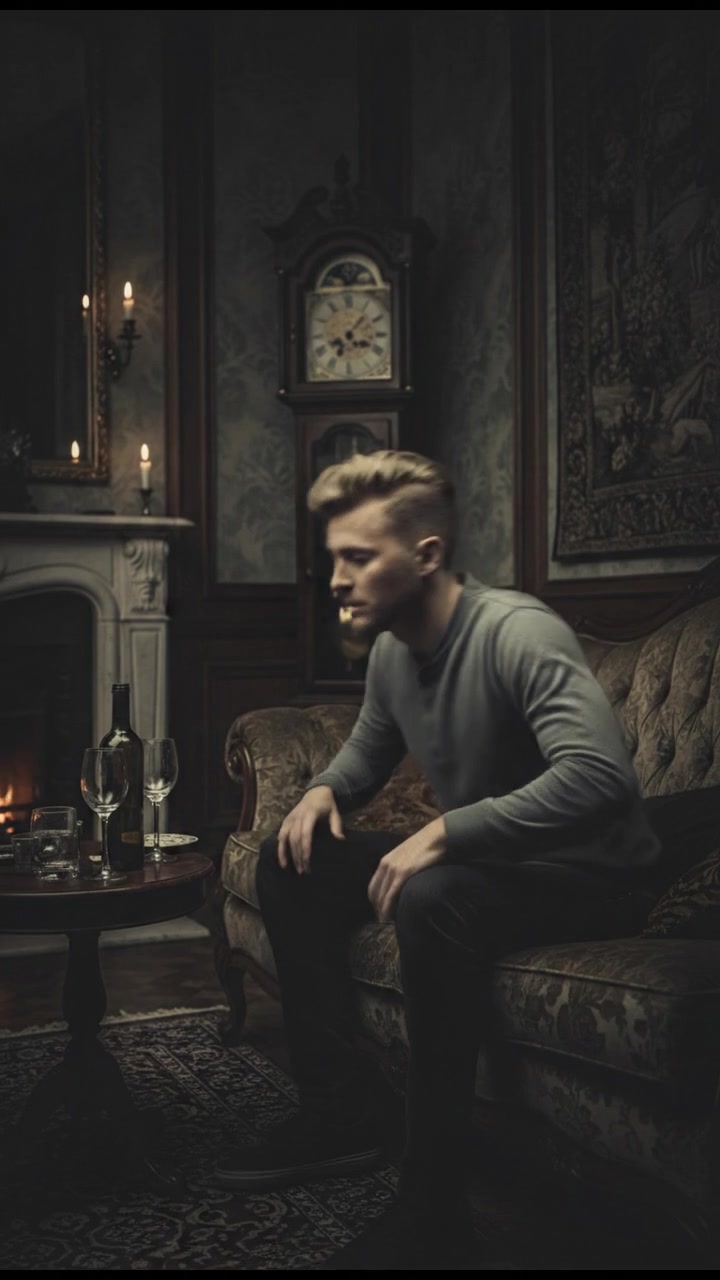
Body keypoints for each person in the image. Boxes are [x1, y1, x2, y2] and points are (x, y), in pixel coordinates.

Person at [212, 450, 661, 1268]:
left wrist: (446, 833)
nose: (338, 580)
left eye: (359, 558)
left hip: (594, 875)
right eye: (333, 559)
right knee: (291, 861)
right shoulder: (392, 650)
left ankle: (434, 1209)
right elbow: (367, 750)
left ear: (424, 556)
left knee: (433, 896)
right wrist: (322, 793)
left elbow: (599, 779)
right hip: (498, 866)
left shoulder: (518, 632)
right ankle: (338, 1107)